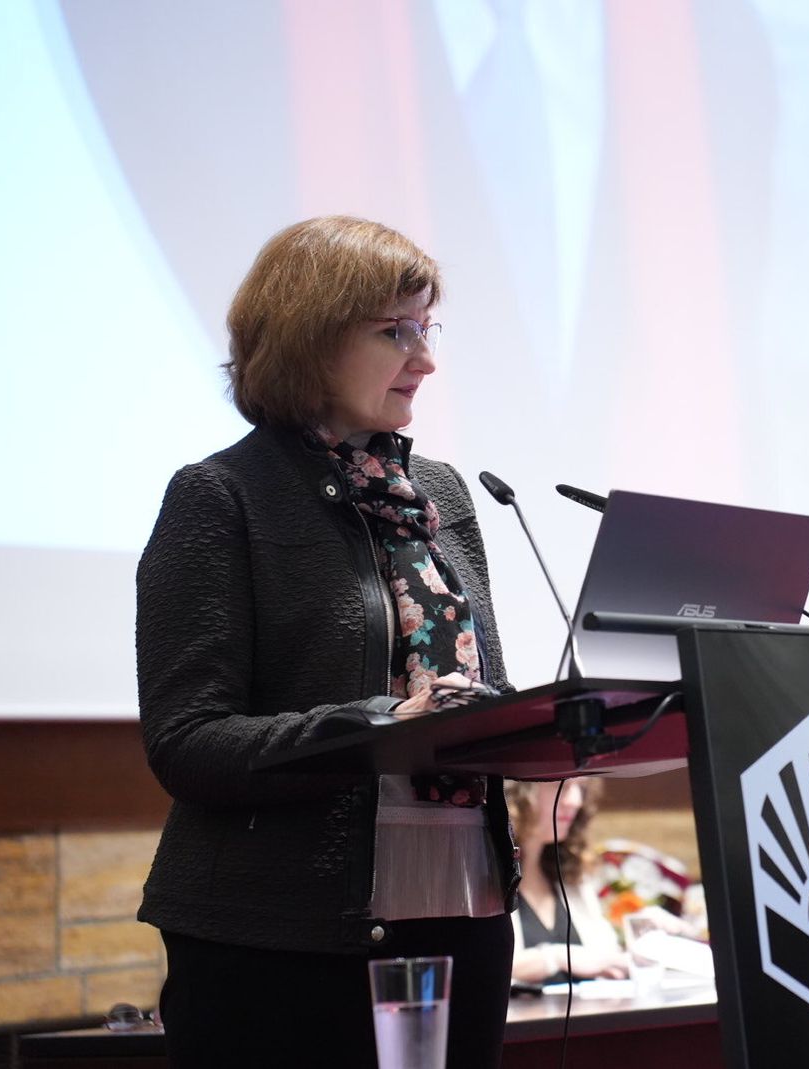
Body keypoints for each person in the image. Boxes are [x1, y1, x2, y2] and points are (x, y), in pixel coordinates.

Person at [136, 217, 519, 1068]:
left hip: (468, 915)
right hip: (281, 940)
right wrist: (383, 724)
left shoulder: (442, 494)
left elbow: (477, 696)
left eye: (427, 328)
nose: (424, 358)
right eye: (396, 330)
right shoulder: (220, 497)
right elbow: (188, 744)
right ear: (310, 337)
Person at [506, 778, 627, 983]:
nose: (575, 800)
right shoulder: (484, 875)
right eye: (561, 786)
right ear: (519, 792)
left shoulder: (572, 874)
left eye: (580, 787)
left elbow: (606, 956)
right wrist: (555, 957)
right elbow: (482, 972)